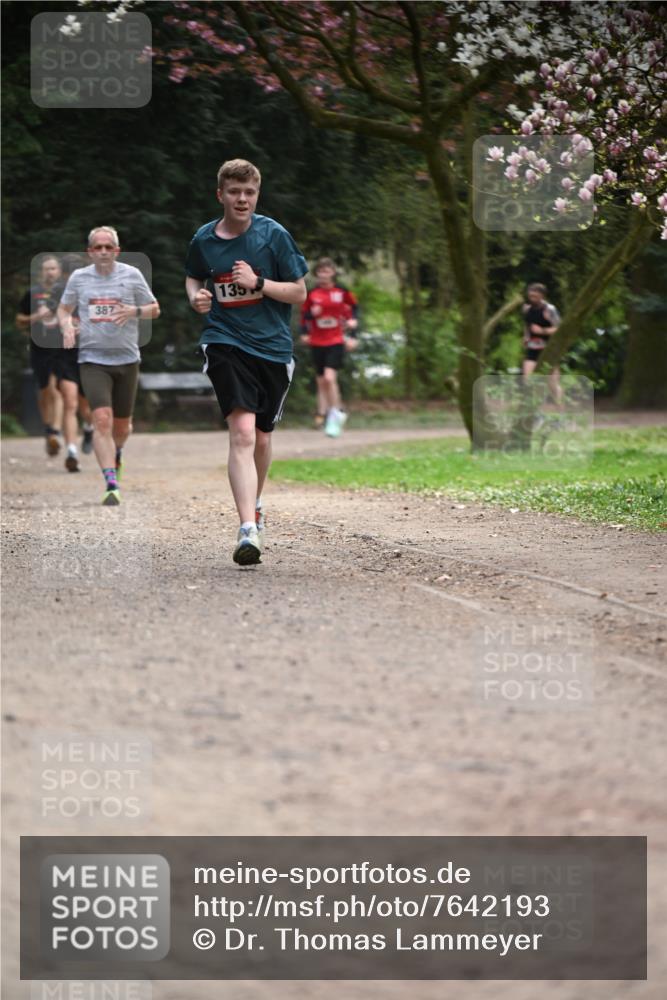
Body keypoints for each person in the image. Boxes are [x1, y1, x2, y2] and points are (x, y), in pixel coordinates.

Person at [185, 158, 308, 566]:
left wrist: (258, 283)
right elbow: (194, 275)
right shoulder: (204, 239)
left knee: (262, 437)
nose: (242, 199)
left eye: (249, 193)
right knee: (241, 433)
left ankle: (255, 502)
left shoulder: (274, 236)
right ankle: (246, 530)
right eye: (234, 192)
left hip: (272, 348)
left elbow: (298, 292)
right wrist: (196, 297)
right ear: (220, 194)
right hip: (224, 341)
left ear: (257, 195)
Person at [57, 226, 160, 505]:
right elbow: (64, 309)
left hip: (127, 359)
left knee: (122, 427)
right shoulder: (79, 278)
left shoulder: (132, 275)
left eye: (108, 247)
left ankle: (118, 452)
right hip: (92, 359)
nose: (103, 252)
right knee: (101, 418)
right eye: (97, 247)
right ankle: (110, 481)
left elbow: (155, 308)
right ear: (90, 251)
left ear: (117, 250)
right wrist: (67, 326)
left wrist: (134, 311)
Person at [299, 257, 359, 437]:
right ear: (316, 273)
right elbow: (305, 315)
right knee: (321, 380)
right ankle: (322, 413)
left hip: (336, 340)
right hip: (317, 341)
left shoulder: (342, 292)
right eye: (320, 271)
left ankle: (336, 413)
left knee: (329, 377)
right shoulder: (312, 293)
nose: (323, 274)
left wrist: (353, 333)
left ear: (333, 273)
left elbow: (353, 310)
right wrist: (305, 331)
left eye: (327, 271)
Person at [46, 253, 95, 462]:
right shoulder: (57, 292)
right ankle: (72, 451)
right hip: (65, 354)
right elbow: (49, 318)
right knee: (70, 403)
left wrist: (83, 327)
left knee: (85, 407)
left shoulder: (93, 291)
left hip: (89, 354)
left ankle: (89, 427)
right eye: (67, 276)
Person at [16, 256, 65, 458]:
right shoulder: (32, 293)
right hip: (38, 348)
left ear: (59, 271)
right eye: (46, 269)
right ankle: (48, 429)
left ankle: (55, 431)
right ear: (41, 272)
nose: (50, 272)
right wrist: (36, 316)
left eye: (53, 268)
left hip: (61, 348)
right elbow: (19, 320)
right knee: (44, 390)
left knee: (56, 388)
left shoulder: (65, 292)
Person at [521, 282, 563, 406]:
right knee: (528, 380)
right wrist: (526, 337)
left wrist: (542, 331)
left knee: (552, 385)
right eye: (530, 295)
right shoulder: (526, 309)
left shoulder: (549, 309)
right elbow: (527, 325)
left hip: (548, 349)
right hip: (533, 348)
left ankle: (560, 408)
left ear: (542, 296)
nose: (532, 298)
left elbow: (560, 329)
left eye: (535, 296)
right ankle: (535, 409)